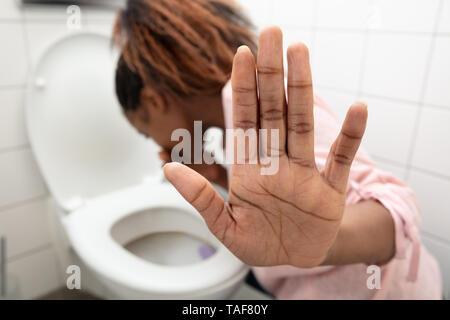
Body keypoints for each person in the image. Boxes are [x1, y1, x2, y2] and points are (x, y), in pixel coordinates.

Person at [113, 0, 442, 299]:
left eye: (145, 133)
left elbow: (397, 214)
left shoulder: (262, 106)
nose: (158, 144)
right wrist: (219, 176)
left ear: (152, 102)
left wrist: (325, 241)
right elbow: (277, 202)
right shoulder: (233, 126)